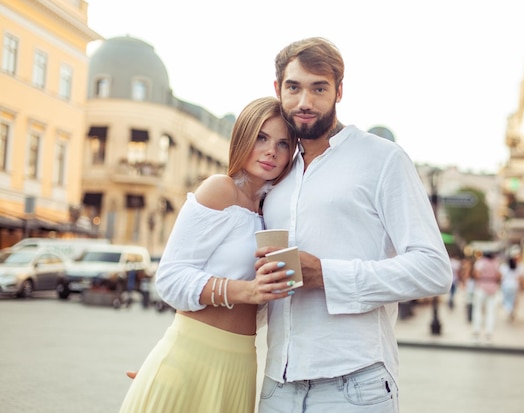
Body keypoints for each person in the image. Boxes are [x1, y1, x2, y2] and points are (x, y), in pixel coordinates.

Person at [254, 37, 453, 413]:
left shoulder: (383, 160)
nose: (305, 102)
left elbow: (434, 269)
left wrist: (326, 275)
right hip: (276, 386)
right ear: (278, 89)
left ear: (339, 91)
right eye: (294, 88)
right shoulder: (275, 173)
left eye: (319, 88)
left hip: (355, 385)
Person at [119, 97, 298, 413]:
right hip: (189, 358)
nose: (272, 150)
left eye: (283, 143)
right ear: (242, 137)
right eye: (261, 137)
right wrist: (248, 290)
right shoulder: (221, 189)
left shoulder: (274, 213)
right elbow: (170, 278)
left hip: (241, 365)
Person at [471, 251, 501, 343]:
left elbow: (476, 274)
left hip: (481, 287)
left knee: (478, 310)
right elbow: (499, 275)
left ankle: (477, 330)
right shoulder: (496, 263)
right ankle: (489, 332)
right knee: (491, 311)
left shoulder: (480, 263)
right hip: (492, 288)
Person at [499, 255, 524, 321]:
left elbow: (501, 277)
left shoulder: (504, 267)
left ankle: (509, 310)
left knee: (507, 299)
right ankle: (511, 311)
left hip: (506, 285)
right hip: (514, 285)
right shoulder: (519, 267)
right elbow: (520, 278)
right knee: (513, 300)